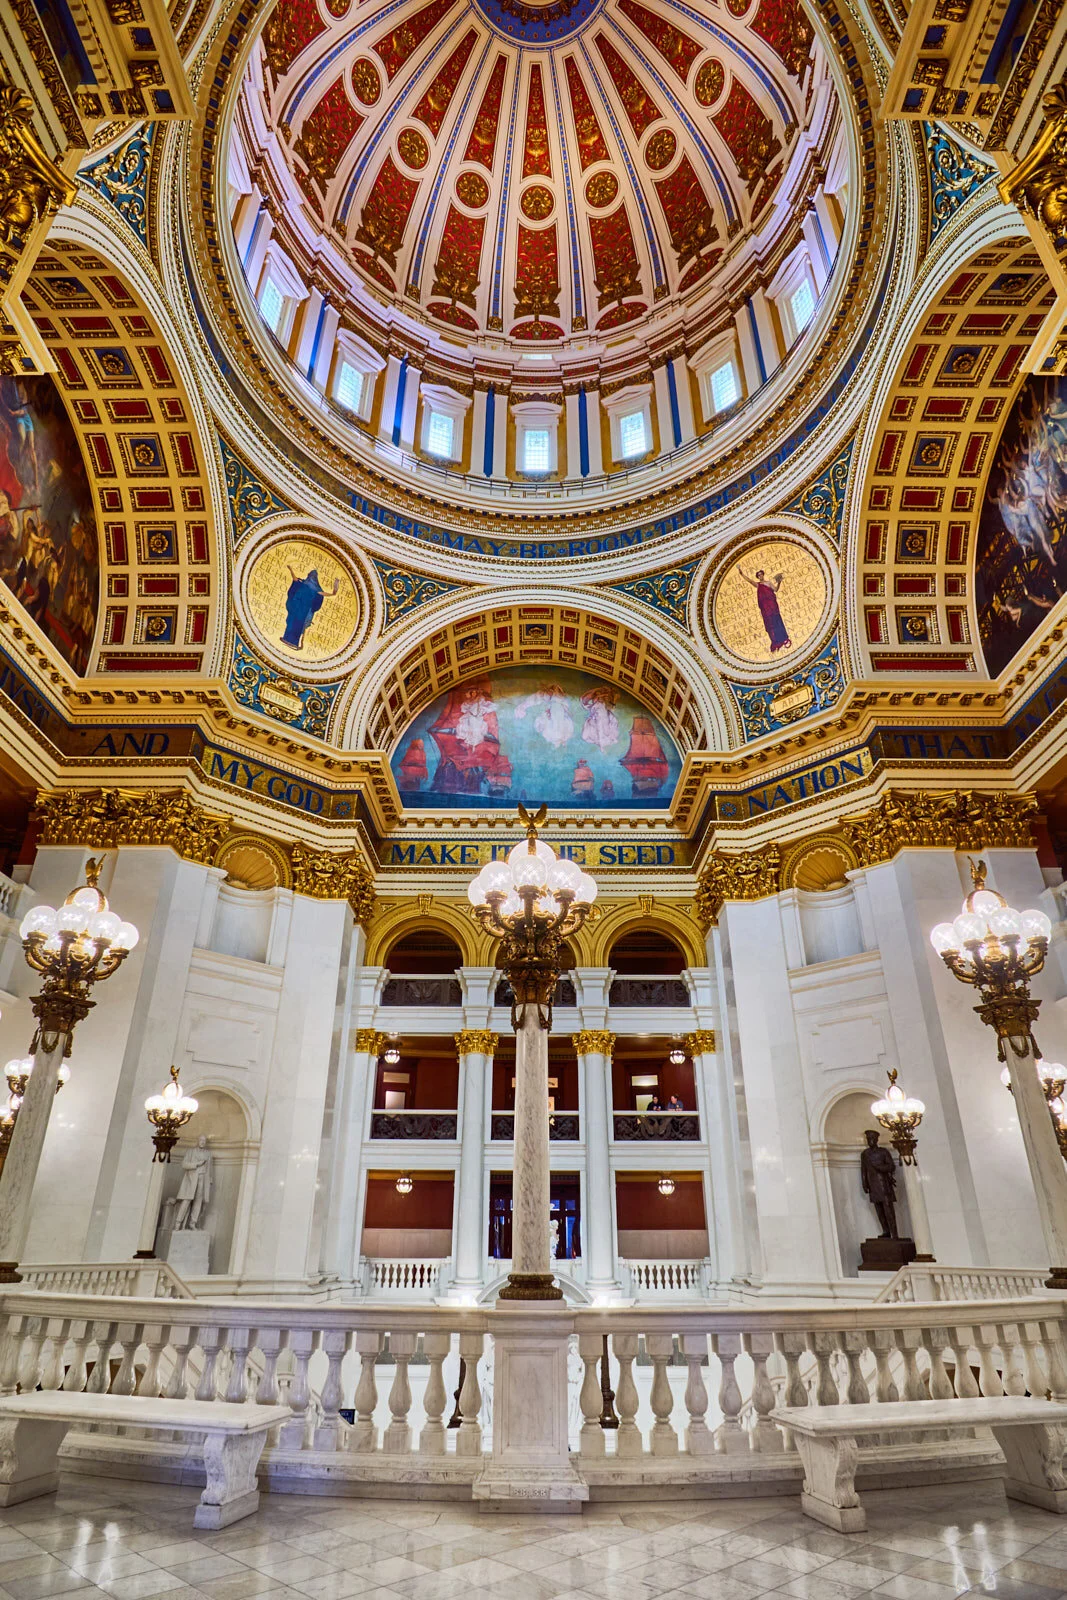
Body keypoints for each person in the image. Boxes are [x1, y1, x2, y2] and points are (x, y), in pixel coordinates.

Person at [281, 565, 340, 650]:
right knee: (291, 623)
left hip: (303, 612)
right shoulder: (303, 583)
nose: (311, 577)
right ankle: (286, 638)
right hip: (297, 608)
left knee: (298, 625)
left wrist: (335, 590)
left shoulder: (316, 590)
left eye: (312, 576)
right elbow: (294, 579)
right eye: (310, 575)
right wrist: (290, 569)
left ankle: (294, 642)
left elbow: (328, 594)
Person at [740, 566, 792, 653]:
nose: (760, 576)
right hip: (765, 608)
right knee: (770, 623)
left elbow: (776, 589)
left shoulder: (768, 583)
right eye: (759, 575)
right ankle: (775, 641)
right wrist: (741, 574)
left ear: (763, 575)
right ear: (758, 577)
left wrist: (779, 582)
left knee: (777, 620)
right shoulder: (758, 585)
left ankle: (783, 638)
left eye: (761, 574)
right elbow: (750, 581)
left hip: (772, 606)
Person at [860, 1129, 898, 1239]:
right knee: (879, 1211)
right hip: (873, 1185)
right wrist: (864, 1183)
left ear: (876, 1139)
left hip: (884, 1184)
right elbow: (863, 1170)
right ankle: (886, 1231)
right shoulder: (865, 1154)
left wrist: (879, 1167)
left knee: (888, 1210)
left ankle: (894, 1233)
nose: (870, 1141)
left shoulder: (883, 1152)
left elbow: (891, 1166)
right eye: (868, 1139)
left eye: (871, 1139)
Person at [173, 1135, 213, 1231]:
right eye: (201, 1140)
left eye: (204, 1140)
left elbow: (210, 1168)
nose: (202, 1142)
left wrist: (210, 1180)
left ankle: (192, 1223)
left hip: (203, 1179)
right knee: (186, 1200)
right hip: (192, 1179)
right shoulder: (191, 1152)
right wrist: (196, 1164)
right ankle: (178, 1223)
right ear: (198, 1141)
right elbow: (184, 1164)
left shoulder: (208, 1154)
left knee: (198, 1202)